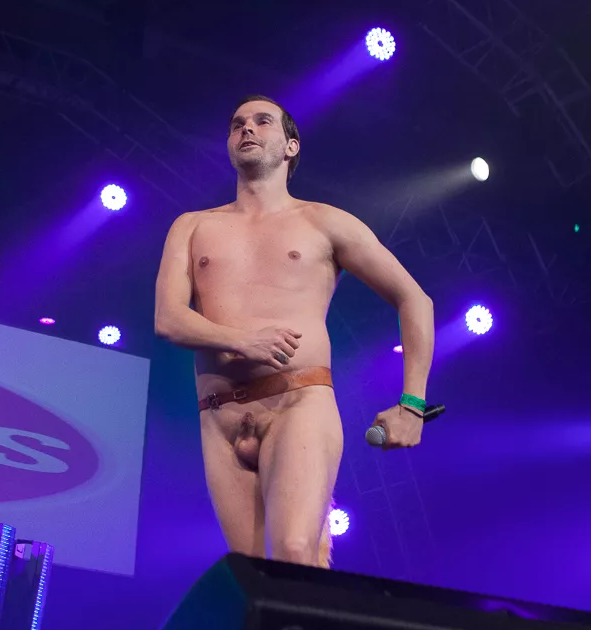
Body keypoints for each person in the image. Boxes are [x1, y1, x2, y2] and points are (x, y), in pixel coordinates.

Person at [153, 95, 434, 569]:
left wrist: (413, 404)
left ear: (290, 146)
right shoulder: (192, 226)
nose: (247, 129)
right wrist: (242, 340)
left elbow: (415, 299)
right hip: (218, 418)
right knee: (251, 576)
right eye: (237, 124)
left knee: (294, 553)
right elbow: (168, 319)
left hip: (297, 401)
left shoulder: (323, 222)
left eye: (262, 121)